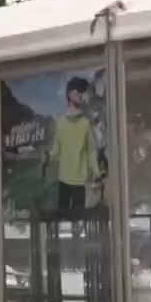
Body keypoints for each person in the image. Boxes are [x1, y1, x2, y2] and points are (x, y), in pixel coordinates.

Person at [44, 76, 98, 213]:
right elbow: (56, 151)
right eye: (77, 91)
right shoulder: (60, 124)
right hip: (63, 180)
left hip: (80, 182)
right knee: (62, 218)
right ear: (69, 94)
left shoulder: (85, 123)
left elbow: (91, 150)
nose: (81, 94)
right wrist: (47, 158)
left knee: (78, 219)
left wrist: (96, 173)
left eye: (82, 91)